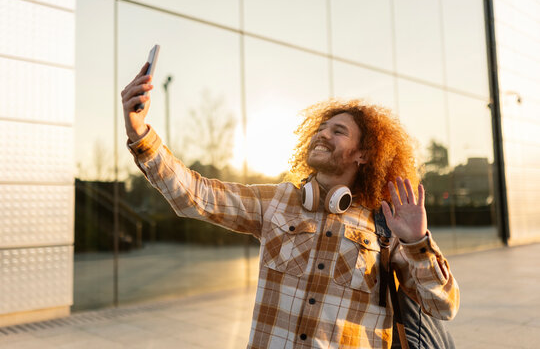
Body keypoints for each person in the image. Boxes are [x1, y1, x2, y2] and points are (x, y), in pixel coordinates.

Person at [121, 62, 459, 349]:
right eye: (321, 128)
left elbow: (442, 305)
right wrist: (141, 136)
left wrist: (417, 241)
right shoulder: (277, 202)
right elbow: (196, 195)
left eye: (338, 131)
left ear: (364, 154)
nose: (322, 135)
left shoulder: (387, 225)